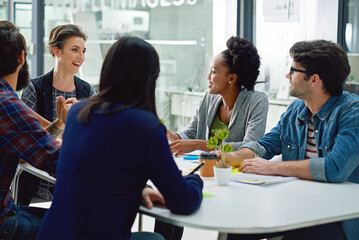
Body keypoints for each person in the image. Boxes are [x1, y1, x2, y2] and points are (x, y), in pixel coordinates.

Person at [36, 36, 203, 240]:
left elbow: (97, 172)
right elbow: (182, 201)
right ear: (150, 79)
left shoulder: (78, 112)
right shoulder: (146, 126)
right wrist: (195, 179)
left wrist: (138, 188)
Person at [223, 40, 358, 240]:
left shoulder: (352, 113)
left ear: (314, 80)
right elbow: (265, 145)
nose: (287, 76)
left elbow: (334, 168)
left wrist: (272, 168)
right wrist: (230, 157)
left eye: (293, 70)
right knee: (238, 228)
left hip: (339, 218)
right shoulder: (297, 109)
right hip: (297, 206)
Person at [0, 20, 68, 240]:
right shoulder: (8, 104)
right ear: (21, 57)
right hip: (4, 223)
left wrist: (58, 124)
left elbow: (28, 140)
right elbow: (57, 162)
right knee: (83, 224)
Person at [19, 24, 96, 204]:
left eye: (83, 51)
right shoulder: (34, 89)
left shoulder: (87, 92)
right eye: (75, 50)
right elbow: (26, 142)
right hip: (34, 189)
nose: (81, 57)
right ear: (57, 51)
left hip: (72, 186)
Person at [167, 36, 268, 156]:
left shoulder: (256, 101)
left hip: (236, 171)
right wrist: (169, 135)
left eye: (213, 72)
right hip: (204, 167)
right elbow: (190, 134)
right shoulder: (209, 98)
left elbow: (250, 146)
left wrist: (199, 145)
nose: (208, 76)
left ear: (232, 78)